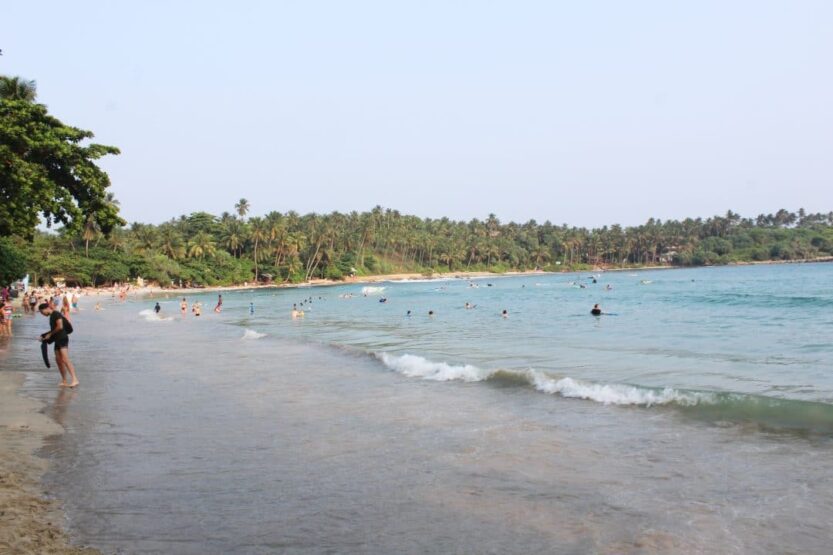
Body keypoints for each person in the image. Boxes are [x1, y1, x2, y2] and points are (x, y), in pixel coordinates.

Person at [39, 302, 79, 388]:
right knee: (58, 361)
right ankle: (64, 380)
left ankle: (75, 379)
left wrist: (49, 335)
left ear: (45, 309)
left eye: (42, 313)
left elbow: (60, 327)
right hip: (57, 339)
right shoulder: (51, 316)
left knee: (65, 359)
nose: (43, 315)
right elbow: (55, 329)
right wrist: (44, 336)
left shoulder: (56, 314)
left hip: (62, 338)